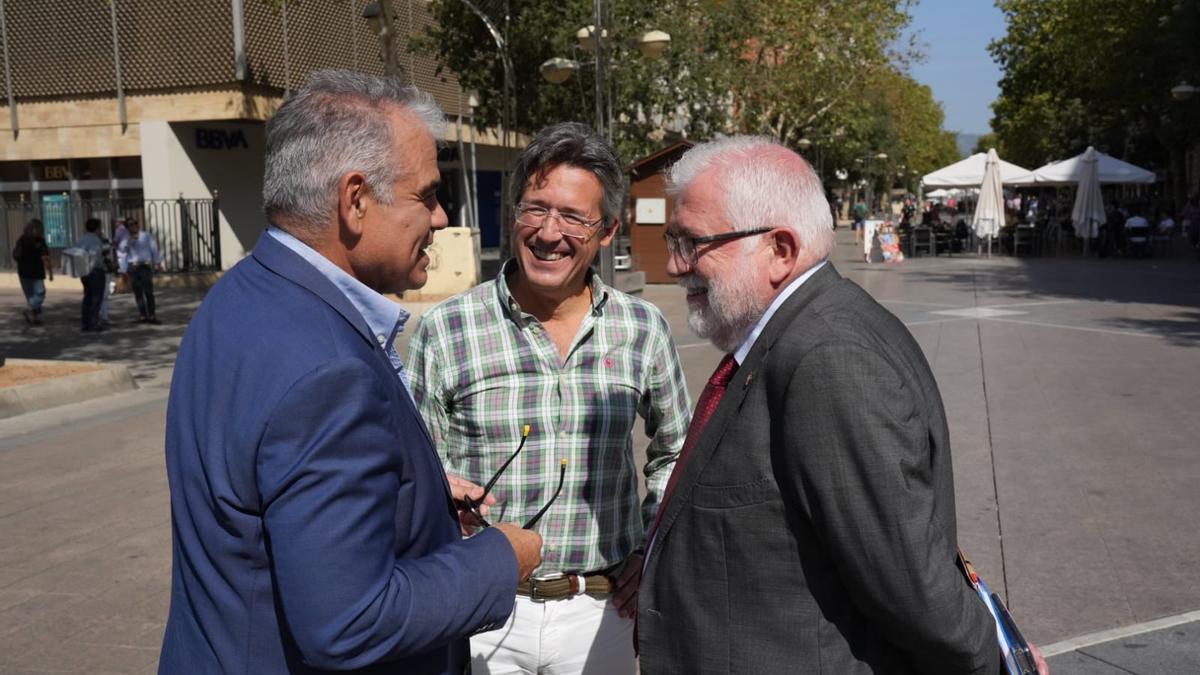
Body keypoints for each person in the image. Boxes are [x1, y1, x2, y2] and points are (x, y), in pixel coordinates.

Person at [159, 70, 543, 674]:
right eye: (426, 196)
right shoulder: (329, 372)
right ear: (355, 199)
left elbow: (264, 483)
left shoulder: (239, 297)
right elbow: (349, 621)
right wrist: (499, 559)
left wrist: (412, 494)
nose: (441, 218)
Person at [638, 136, 1046, 674]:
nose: (673, 265)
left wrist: (993, 659)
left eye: (691, 242)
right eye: (673, 239)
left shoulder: (827, 359)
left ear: (779, 250)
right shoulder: (795, 335)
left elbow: (906, 577)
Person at [407, 122, 691, 674]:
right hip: (481, 612)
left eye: (573, 217)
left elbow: (676, 450)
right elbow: (413, 467)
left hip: (602, 614)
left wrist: (651, 548)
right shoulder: (447, 329)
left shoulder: (642, 329)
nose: (548, 232)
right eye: (535, 208)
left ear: (607, 231)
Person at [118, 216, 163, 323]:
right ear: (127, 228)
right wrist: (129, 240)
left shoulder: (146, 235)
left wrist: (158, 262)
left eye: (135, 223)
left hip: (145, 266)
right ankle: (142, 314)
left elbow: (154, 248)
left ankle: (152, 315)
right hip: (133, 266)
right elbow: (121, 250)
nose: (134, 226)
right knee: (138, 292)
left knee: (148, 291)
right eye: (131, 225)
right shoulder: (126, 238)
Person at [69, 218, 109, 332]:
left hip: (84, 272)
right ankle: (93, 322)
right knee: (96, 297)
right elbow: (95, 258)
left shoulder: (81, 239)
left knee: (87, 297)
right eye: (100, 228)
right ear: (97, 228)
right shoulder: (95, 241)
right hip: (94, 271)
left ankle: (85, 323)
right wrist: (91, 269)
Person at [12, 218, 52, 326]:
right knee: (40, 294)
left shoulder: (21, 239)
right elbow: (45, 258)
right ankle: (30, 310)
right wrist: (51, 272)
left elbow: (16, 255)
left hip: (23, 272)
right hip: (36, 272)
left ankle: (36, 318)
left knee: (31, 296)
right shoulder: (39, 241)